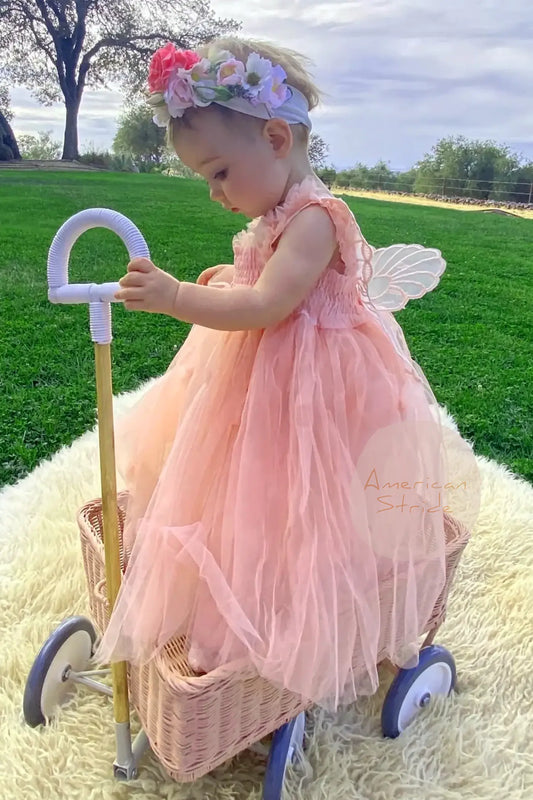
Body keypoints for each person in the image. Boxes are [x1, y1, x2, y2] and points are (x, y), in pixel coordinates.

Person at [93, 36, 453, 711]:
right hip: (264, 373)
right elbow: (260, 283)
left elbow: (268, 305)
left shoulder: (316, 218)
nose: (214, 193)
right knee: (243, 480)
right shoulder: (274, 214)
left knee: (312, 489)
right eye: (207, 178)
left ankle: (308, 603)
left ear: (278, 139)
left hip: (319, 383)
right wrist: (231, 273)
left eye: (220, 172)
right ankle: (245, 575)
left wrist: (177, 298)